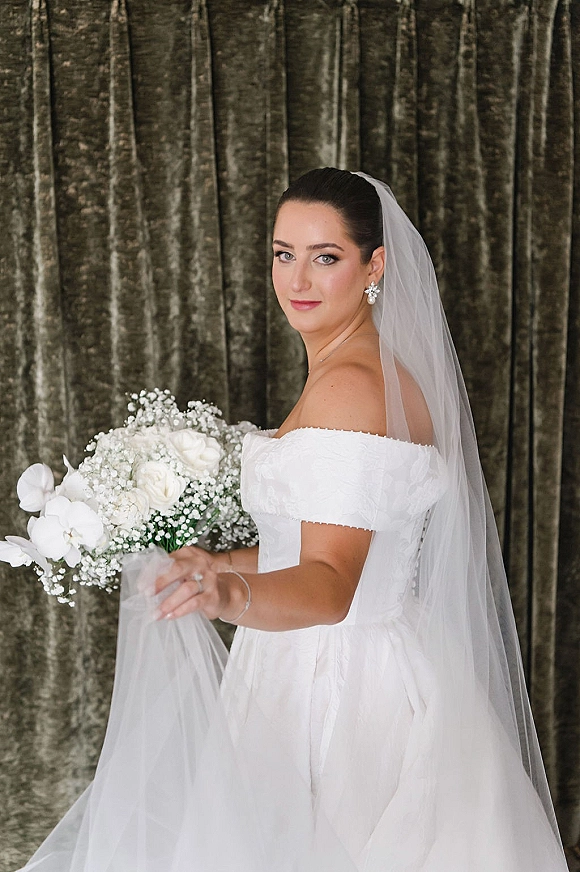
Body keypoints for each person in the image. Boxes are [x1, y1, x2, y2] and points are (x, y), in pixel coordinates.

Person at [17, 169, 569, 871]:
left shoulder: (350, 388)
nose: (298, 279)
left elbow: (331, 584)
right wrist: (215, 563)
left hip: (334, 685)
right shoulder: (360, 370)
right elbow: (313, 543)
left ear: (375, 265)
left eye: (325, 257)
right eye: (284, 254)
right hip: (358, 655)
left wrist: (227, 594)